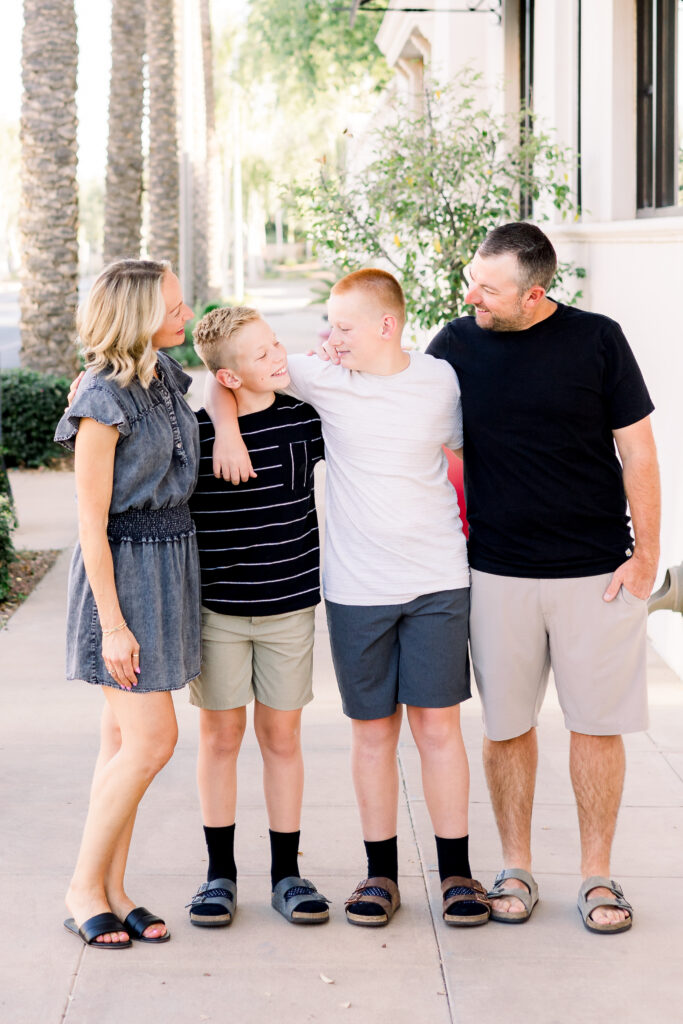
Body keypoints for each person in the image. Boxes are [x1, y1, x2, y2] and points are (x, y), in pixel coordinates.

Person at [207, 270, 492, 929]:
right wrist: (223, 429)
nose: (325, 336)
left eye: (339, 326)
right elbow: (223, 375)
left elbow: (471, 452)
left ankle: (455, 873)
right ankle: (380, 875)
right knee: (372, 734)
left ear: (384, 327)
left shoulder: (438, 381)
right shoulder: (320, 376)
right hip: (356, 589)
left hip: (437, 581)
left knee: (437, 729)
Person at [426, 222, 660, 934]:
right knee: (506, 729)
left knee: (595, 729)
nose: (472, 295)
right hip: (496, 572)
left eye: (487, 287)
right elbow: (403, 416)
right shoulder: (455, 344)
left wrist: (645, 557)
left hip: (595, 572)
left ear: (534, 293)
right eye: (472, 280)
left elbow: (639, 454)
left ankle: (596, 876)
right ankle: (515, 868)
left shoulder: (596, 339)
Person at [55, 259, 200, 949]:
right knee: (153, 740)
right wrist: (113, 625)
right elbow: (89, 525)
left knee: (120, 742)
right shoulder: (100, 398)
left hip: (170, 568)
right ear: (138, 313)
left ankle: (114, 889)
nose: (185, 311)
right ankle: (84, 886)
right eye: (173, 303)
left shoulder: (168, 377)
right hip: (123, 581)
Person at [185, 306, 329, 927]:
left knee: (282, 739)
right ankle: (219, 875)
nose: (280, 357)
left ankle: (286, 873)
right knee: (220, 739)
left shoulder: (305, 419)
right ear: (228, 378)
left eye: (277, 345)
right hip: (217, 611)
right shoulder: (194, 433)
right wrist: (223, 426)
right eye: (263, 353)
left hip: (289, 609)